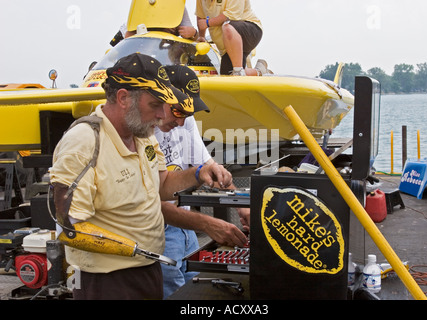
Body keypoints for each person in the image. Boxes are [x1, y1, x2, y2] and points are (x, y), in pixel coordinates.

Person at [49, 53, 233, 300]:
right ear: (124, 97)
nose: (161, 115)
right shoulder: (83, 142)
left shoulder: (143, 136)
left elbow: (162, 186)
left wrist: (199, 174)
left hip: (147, 269)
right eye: (155, 105)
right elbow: (70, 227)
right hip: (108, 280)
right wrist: (133, 249)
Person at [155, 65, 250, 298]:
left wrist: (243, 207)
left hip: (185, 229)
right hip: (158, 232)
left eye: (189, 112)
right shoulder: (144, 130)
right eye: (179, 111)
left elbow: (208, 169)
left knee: (195, 295)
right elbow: (151, 200)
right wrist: (207, 223)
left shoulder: (184, 119)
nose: (183, 121)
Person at [195, 0, 268, 76]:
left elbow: (231, 15)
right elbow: (200, 16)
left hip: (250, 30)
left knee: (228, 26)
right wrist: (201, 36)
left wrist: (208, 23)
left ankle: (238, 70)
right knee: (227, 75)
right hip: (227, 44)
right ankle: (260, 71)